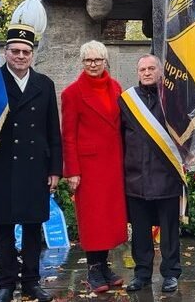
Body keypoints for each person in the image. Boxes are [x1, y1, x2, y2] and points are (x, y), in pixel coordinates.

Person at [0, 10, 62, 302]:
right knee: (3, 226)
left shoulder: (44, 84)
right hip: (2, 163)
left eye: (25, 52)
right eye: (15, 51)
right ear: (6, 52)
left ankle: (31, 280)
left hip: (35, 165)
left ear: (32, 54)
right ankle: (6, 282)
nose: (20, 56)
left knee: (32, 225)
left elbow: (52, 130)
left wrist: (55, 169)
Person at [60, 40, 129, 293]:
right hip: (88, 166)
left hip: (112, 162)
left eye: (97, 60)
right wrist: (72, 171)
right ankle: (93, 269)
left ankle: (104, 265)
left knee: (108, 217)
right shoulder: (72, 93)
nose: (92, 64)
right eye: (88, 60)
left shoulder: (116, 87)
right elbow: (68, 135)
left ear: (105, 61)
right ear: (82, 62)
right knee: (93, 219)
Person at [119, 54, 185, 293]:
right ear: (138, 73)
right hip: (135, 177)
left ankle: (171, 273)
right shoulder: (127, 101)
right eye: (142, 69)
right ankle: (142, 274)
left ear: (160, 72)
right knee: (140, 231)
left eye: (151, 68)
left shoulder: (173, 99)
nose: (146, 73)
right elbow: (120, 137)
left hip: (166, 177)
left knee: (169, 232)